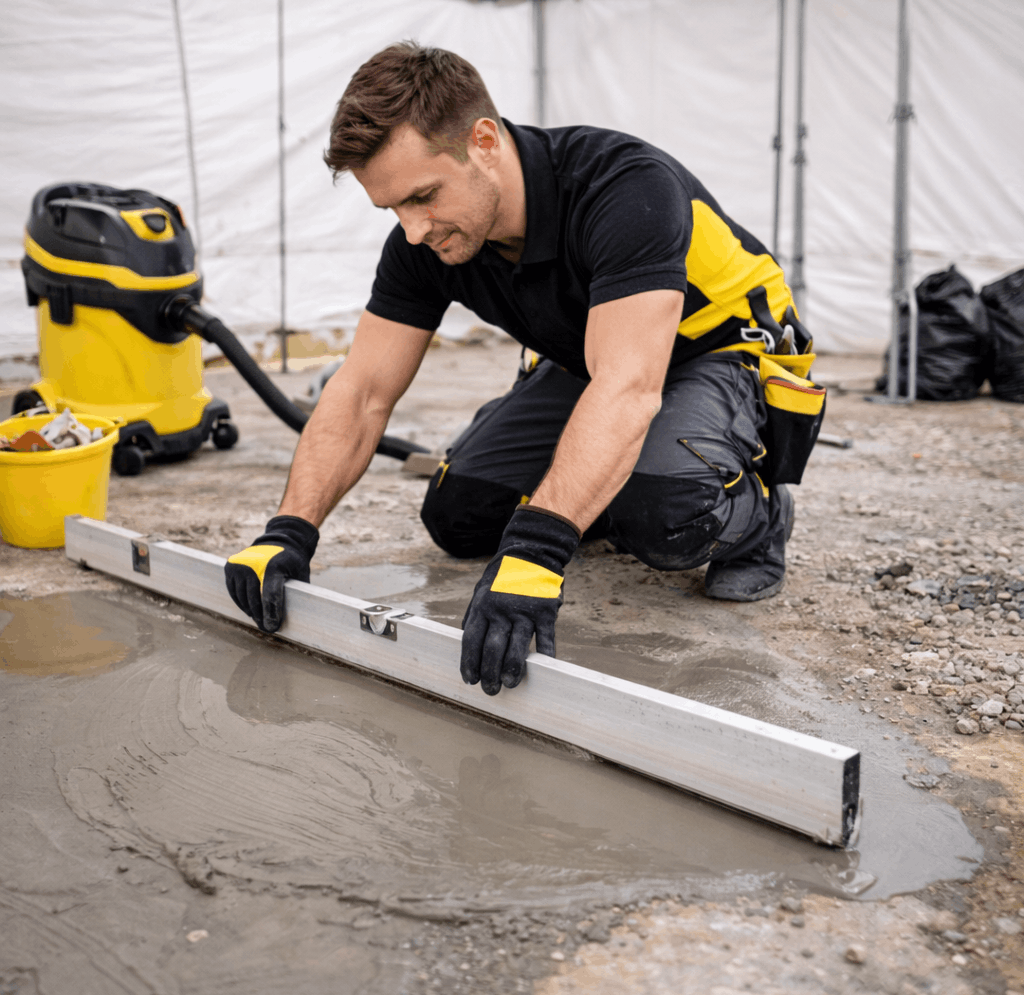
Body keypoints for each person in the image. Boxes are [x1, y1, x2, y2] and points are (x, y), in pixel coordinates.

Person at [224, 42, 824, 697]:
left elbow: (628, 387)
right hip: (593, 355)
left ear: (483, 141)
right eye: (393, 209)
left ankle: (762, 521)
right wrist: (288, 530)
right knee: (461, 515)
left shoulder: (622, 187)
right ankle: (604, 492)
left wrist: (538, 550)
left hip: (715, 348)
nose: (414, 229)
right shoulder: (424, 242)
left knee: (664, 510)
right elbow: (363, 393)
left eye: (423, 196)